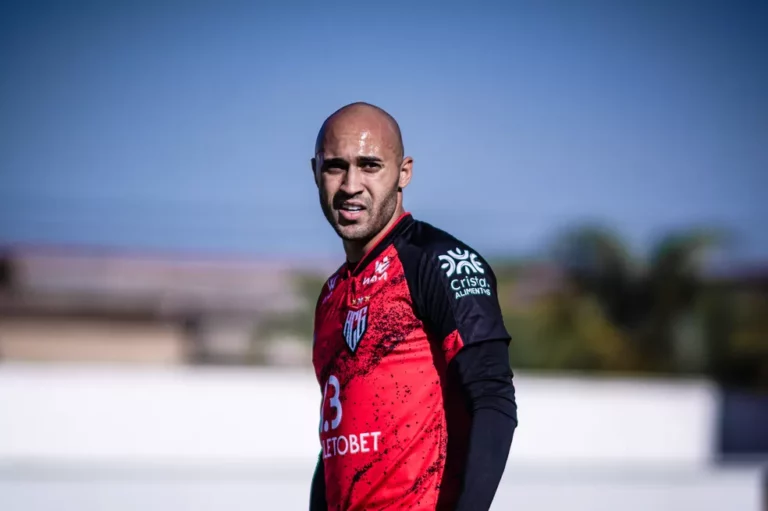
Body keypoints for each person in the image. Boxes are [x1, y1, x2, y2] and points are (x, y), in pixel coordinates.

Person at [309, 102, 518, 511]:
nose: (351, 185)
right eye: (335, 166)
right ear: (315, 171)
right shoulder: (331, 294)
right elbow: (335, 445)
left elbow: (493, 398)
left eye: (370, 166)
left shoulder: (439, 262)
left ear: (404, 172)